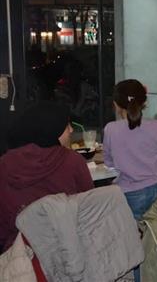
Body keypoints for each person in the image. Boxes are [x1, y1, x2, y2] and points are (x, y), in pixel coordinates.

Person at [0, 101, 93, 252]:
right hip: (67, 248)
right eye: (66, 126)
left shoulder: (4, 164)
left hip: (20, 251)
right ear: (52, 129)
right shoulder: (72, 160)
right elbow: (88, 209)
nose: (71, 130)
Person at [103, 79, 157, 220]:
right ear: (144, 102)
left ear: (116, 105)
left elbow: (109, 163)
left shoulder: (110, 129)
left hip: (131, 194)